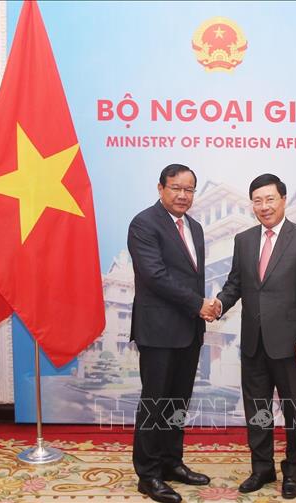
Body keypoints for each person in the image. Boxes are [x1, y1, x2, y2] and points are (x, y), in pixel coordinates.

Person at [216, 173, 296, 499]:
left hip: (291, 345)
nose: (264, 206)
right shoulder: (244, 240)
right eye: (257, 201)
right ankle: (262, 468)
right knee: (257, 412)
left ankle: (293, 472)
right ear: (252, 204)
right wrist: (219, 304)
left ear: (283, 200)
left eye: (270, 199)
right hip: (253, 343)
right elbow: (236, 284)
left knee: (295, 412)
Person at [128, 164, 219, 503]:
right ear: (160, 188)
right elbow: (154, 275)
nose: (183, 195)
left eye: (189, 189)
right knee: (155, 404)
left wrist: (202, 309)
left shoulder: (195, 227)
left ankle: (171, 463)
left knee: (178, 402)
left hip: (189, 330)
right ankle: (148, 475)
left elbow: (192, 277)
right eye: (176, 188)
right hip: (158, 330)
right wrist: (199, 304)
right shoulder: (144, 223)